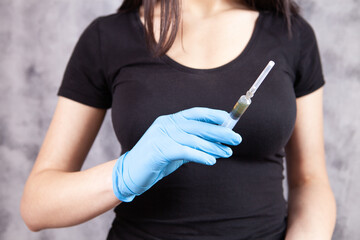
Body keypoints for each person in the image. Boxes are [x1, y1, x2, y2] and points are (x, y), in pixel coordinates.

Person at [21, 0, 336, 239]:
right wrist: (123, 175)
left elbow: (309, 182)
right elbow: (37, 206)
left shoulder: (291, 33)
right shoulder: (108, 37)